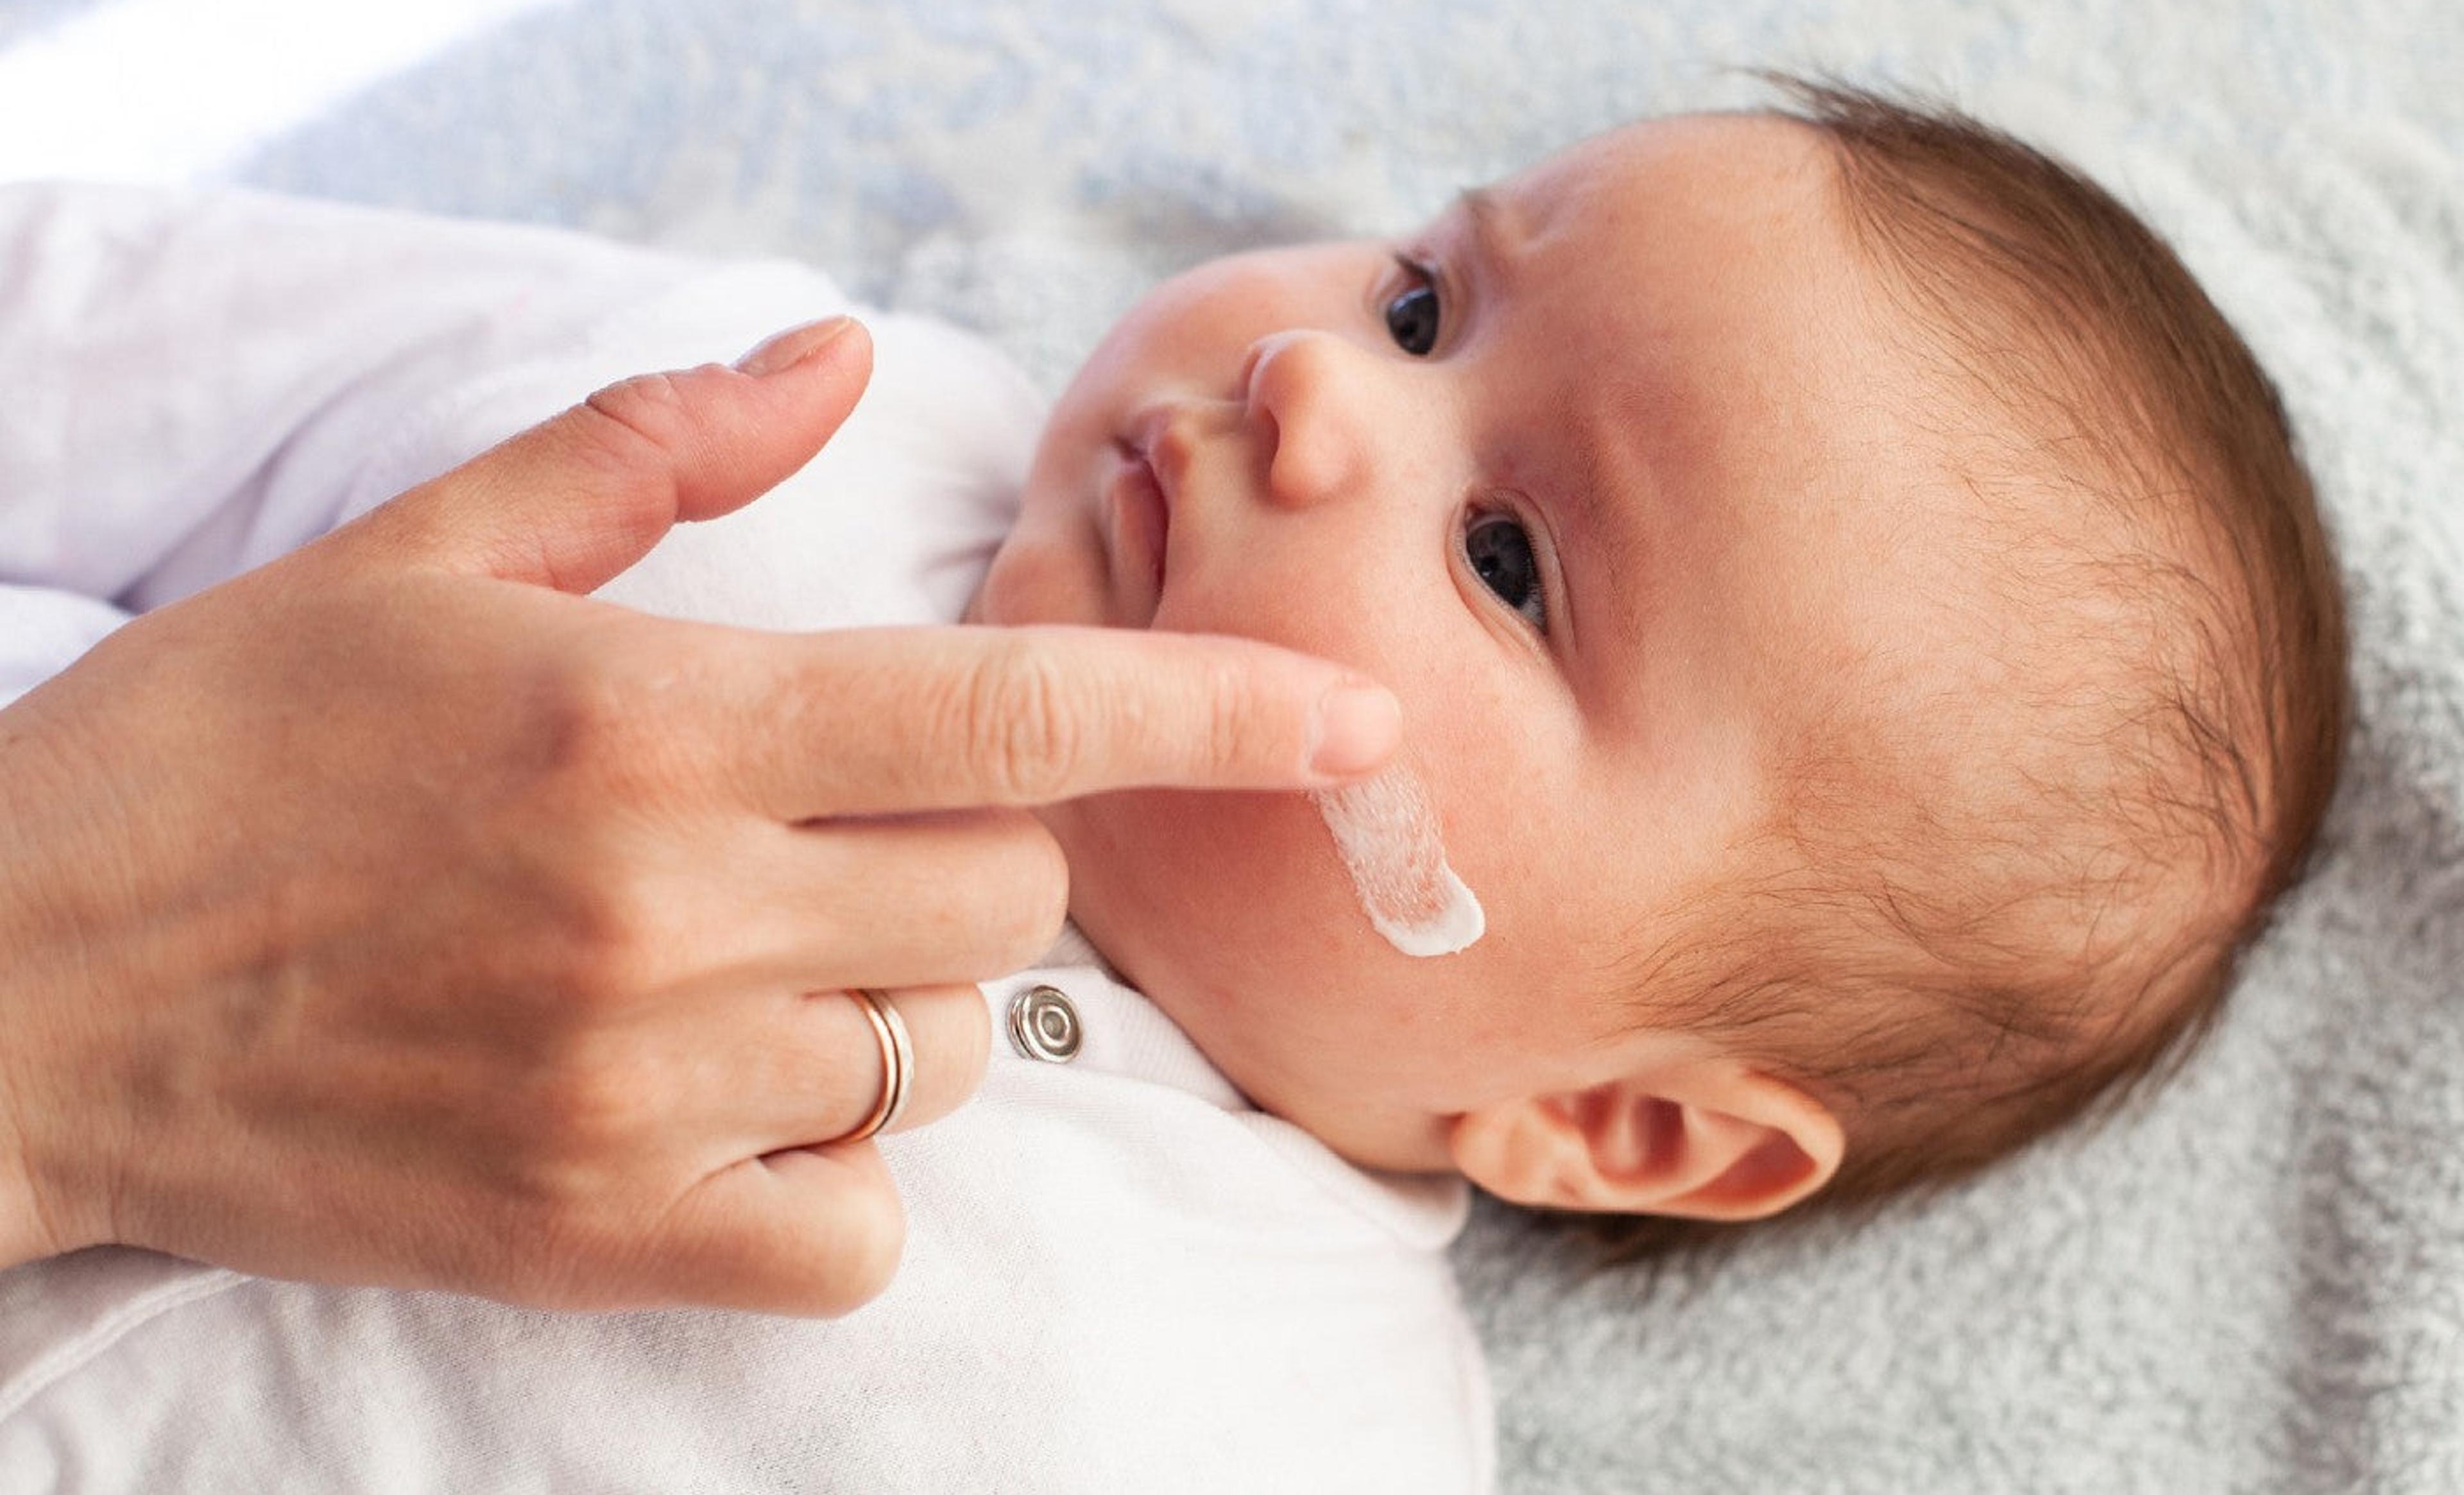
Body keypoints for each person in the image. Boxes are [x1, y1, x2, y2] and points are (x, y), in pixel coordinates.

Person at [0, 81, 2347, 1491]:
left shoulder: (1273, 1433)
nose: (1318, 388)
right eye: (1432, 296)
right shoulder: (780, 413)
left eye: (1510, 560)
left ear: (1625, 1128)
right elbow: (85, 327)